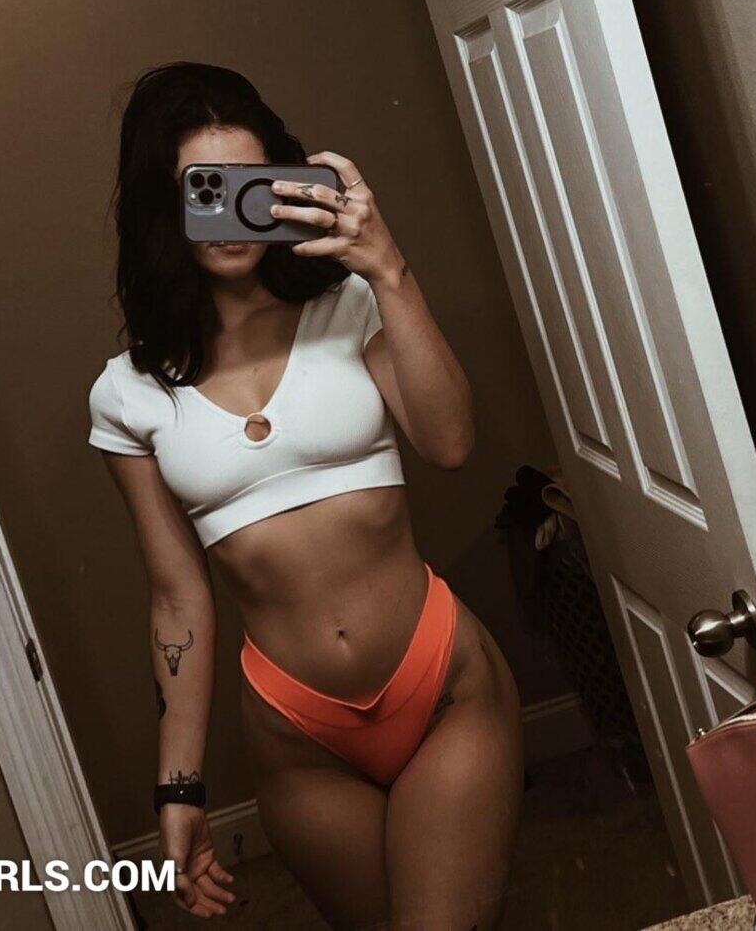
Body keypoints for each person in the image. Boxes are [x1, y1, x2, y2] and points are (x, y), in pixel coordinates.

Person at [88, 62, 522, 928]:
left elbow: (449, 442)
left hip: (440, 684)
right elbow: (178, 598)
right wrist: (180, 787)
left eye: (252, 183)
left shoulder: (349, 306)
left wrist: (389, 269)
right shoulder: (127, 393)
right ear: (163, 205)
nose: (233, 210)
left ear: (286, 183)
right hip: (299, 739)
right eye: (205, 188)